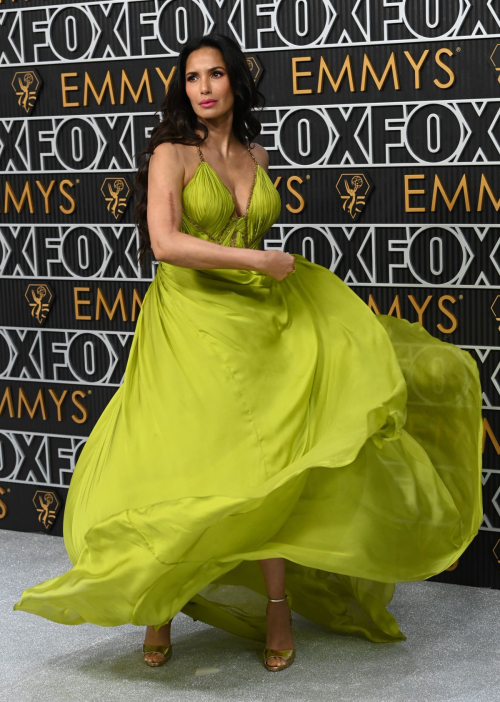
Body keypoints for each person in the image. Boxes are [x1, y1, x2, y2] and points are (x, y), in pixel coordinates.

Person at [13, 33, 483, 674]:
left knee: (269, 469)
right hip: (190, 321)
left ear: (235, 82)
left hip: (259, 322)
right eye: (191, 79)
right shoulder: (170, 155)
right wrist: (256, 258)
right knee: (186, 462)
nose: (202, 88)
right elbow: (165, 244)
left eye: (213, 75)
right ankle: (159, 605)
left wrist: (262, 271)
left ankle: (279, 605)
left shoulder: (257, 152)